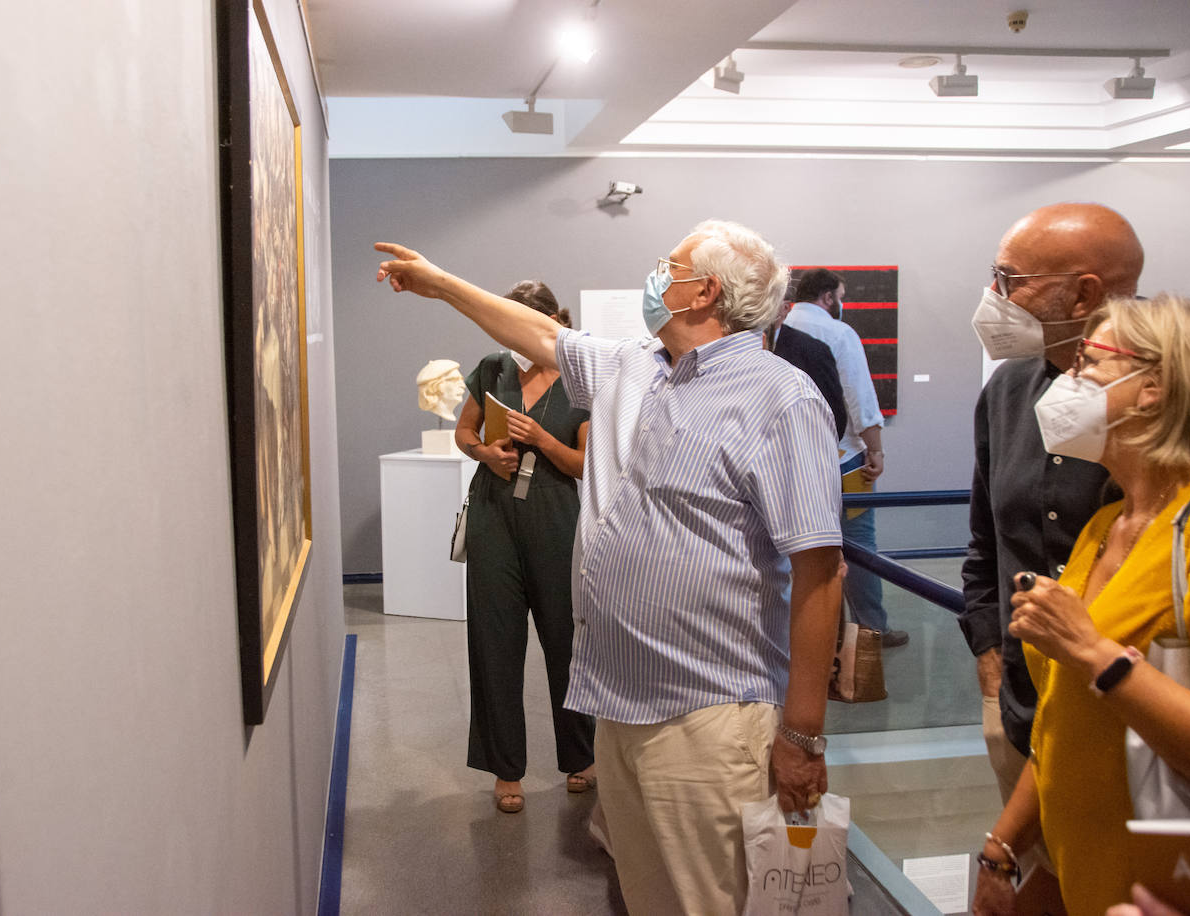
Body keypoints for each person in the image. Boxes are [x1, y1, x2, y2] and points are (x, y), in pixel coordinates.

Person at [375, 219, 844, 915]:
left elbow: (820, 572)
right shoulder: (635, 366)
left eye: (670, 265)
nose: (656, 275)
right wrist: (440, 284)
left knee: (706, 900)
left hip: (709, 714)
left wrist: (802, 736)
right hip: (620, 707)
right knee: (644, 896)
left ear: (702, 291)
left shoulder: (782, 399)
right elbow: (535, 334)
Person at [973, 294, 1190, 915]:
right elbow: (1060, 721)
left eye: (1089, 361)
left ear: (1153, 387)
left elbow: (1093, 665)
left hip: (1170, 890)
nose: (1067, 381)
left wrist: (1092, 651)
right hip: (1090, 883)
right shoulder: (1106, 524)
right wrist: (1004, 848)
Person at [960, 203, 1144, 833]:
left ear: (1083, 294)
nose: (994, 295)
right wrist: (989, 647)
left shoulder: (1167, 407)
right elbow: (986, 541)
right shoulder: (1008, 390)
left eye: (1010, 280)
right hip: (1020, 704)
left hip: (1131, 715)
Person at [452, 280, 594, 814]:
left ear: (550, 324)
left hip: (557, 518)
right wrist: (486, 455)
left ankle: (581, 755)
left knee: (567, 640)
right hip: (494, 516)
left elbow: (587, 464)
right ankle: (505, 768)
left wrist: (543, 442)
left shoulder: (582, 380)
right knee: (495, 643)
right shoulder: (493, 368)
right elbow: (464, 433)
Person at [783, 269, 901, 645]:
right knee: (860, 545)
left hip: (790, 461)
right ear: (828, 298)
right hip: (843, 461)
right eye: (841, 295)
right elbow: (860, 398)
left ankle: (812, 635)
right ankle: (870, 631)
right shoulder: (838, 334)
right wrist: (876, 449)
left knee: (800, 551)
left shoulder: (773, 333)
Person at [768, 301, 848, 439]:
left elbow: (833, 415)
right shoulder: (737, 346)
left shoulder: (813, 350)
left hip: (799, 448)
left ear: (785, 308)